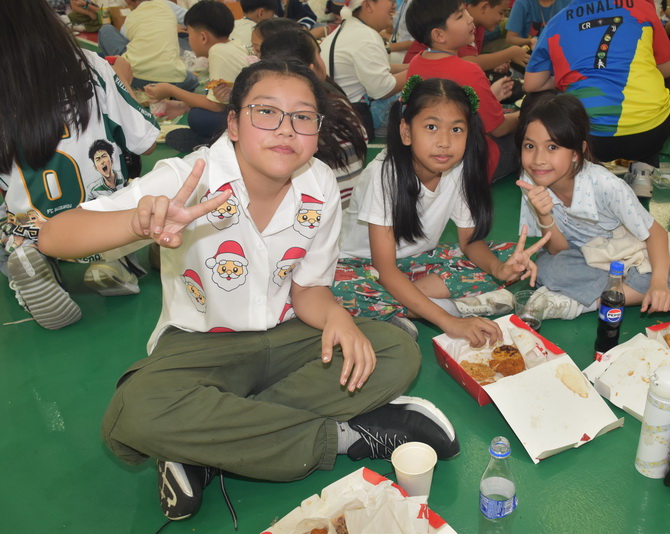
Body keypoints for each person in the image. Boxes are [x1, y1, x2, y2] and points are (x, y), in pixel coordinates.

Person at [37, 59, 460, 523]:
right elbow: (55, 236)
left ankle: (203, 446)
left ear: (316, 130)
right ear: (234, 124)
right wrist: (136, 223)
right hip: (201, 344)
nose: (286, 129)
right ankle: (348, 437)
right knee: (133, 412)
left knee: (396, 349)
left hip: (289, 335)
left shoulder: (319, 183)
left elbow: (309, 290)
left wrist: (337, 316)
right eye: (267, 112)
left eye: (302, 116)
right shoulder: (187, 178)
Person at [336, 76, 549, 344]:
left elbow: (470, 242)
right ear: (406, 132)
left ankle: (401, 307)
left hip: (417, 262)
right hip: (362, 267)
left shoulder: (458, 168)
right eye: (431, 127)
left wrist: (499, 270)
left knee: (508, 256)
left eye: (457, 129)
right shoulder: (384, 175)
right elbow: (385, 269)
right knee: (332, 288)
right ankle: (434, 307)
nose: (445, 141)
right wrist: (450, 322)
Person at [0, 0, 159, 330]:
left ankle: (29, 254)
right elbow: (146, 143)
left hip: (36, 225)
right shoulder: (89, 65)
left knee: (12, 221)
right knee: (146, 188)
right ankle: (116, 258)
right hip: (101, 219)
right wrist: (122, 78)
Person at [516, 93, 670, 320]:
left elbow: (655, 234)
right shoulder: (530, 180)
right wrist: (544, 215)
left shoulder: (606, 185)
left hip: (630, 249)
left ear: (576, 152)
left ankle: (585, 301)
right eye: (529, 146)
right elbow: (558, 250)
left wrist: (659, 283)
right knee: (547, 268)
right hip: (586, 254)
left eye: (552, 147)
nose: (538, 159)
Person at [524, 0, 670, 202]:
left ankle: (576, 168)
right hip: (649, 135)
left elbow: (532, 84)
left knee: (537, 100)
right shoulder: (642, 7)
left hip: (588, 140)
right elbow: (668, 69)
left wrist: (567, 77)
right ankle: (644, 169)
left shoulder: (557, 22)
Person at [406, 0, 521, 182]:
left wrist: (490, 94)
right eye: (460, 16)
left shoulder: (416, 63)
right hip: (470, 167)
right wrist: (524, 114)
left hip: (431, 159)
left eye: (466, 11)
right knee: (528, 136)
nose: (470, 19)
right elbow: (498, 129)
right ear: (439, 35)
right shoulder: (468, 71)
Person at [259, 23, 368, 208]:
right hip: (353, 205)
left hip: (316, 212)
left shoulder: (288, 118)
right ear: (311, 67)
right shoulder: (338, 101)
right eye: (319, 53)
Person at [146, 0, 250, 152]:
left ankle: (207, 142)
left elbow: (216, 106)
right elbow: (219, 99)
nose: (188, 39)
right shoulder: (234, 44)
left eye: (189, 33)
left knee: (198, 117)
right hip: (242, 112)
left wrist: (171, 90)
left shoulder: (217, 51)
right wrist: (184, 106)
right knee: (199, 109)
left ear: (203, 37)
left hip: (240, 120)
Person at [319, 0, 409, 139]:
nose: (394, 5)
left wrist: (408, 67)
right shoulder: (366, 36)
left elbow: (374, 67)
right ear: (368, 5)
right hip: (354, 122)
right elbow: (383, 89)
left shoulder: (348, 30)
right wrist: (419, 69)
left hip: (335, 118)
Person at [403, 0, 531, 75]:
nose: (502, 18)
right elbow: (468, 62)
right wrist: (509, 53)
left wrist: (494, 63)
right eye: (501, 12)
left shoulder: (477, 27)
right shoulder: (461, 29)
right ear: (484, 7)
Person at [98, 0, 198, 91]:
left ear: (128, 2)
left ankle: (118, 79)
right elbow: (195, 19)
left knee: (106, 30)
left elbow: (126, 40)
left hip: (135, 76)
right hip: (175, 79)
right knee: (192, 80)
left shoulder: (131, 17)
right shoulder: (167, 5)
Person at [504, 0, 572, 48]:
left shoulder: (569, 3)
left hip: (561, 51)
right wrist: (530, 41)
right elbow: (510, 38)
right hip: (531, 52)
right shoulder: (522, 3)